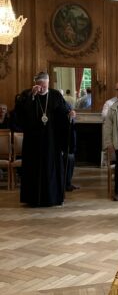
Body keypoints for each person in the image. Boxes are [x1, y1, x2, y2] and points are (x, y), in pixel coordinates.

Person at [15, 71, 75, 207]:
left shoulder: (55, 95)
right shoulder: (27, 94)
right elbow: (20, 114)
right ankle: (33, 199)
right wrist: (32, 96)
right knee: (33, 168)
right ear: (35, 83)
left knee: (51, 168)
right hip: (33, 141)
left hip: (52, 140)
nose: (42, 88)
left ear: (48, 83)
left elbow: (64, 111)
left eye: (45, 86)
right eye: (40, 86)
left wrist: (70, 114)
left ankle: (53, 198)